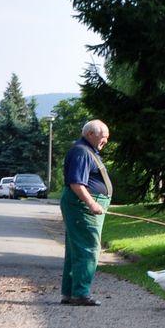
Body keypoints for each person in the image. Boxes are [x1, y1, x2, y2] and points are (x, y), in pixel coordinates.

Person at [60, 119, 113, 306]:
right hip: (82, 206)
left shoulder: (87, 151)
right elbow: (76, 183)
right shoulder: (82, 152)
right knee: (88, 248)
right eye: (103, 137)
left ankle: (70, 293)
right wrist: (91, 203)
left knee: (76, 249)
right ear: (91, 134)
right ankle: (80, 294)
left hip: (83, 205)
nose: (105, 141)